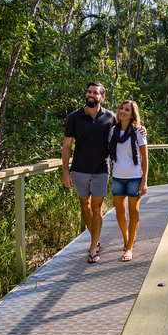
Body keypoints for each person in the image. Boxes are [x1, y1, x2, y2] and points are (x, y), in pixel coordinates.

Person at [62, 82, 114, 263]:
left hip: (101, 169)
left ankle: (93, 248)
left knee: (97, 207)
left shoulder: (110, 117)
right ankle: (96, 238)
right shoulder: (74, 117)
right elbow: (67, 146)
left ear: (102, 97)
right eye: (89, 92)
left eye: (95, 93)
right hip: (79, 169)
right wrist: (65, 172)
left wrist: (141, 128)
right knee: (85, 205)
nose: (91, 95)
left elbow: (126, 129)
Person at [108, 100, 148, 262]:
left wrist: (144, 181)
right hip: (118, 177)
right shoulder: (112, 131)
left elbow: (145, 158)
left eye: (127, 110)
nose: (123, 112)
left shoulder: (138, 132)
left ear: (132, 114)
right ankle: (126, 239)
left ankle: (130, 248)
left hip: (134, 177)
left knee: (134, 212)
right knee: (119, 213)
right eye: (121, 108)